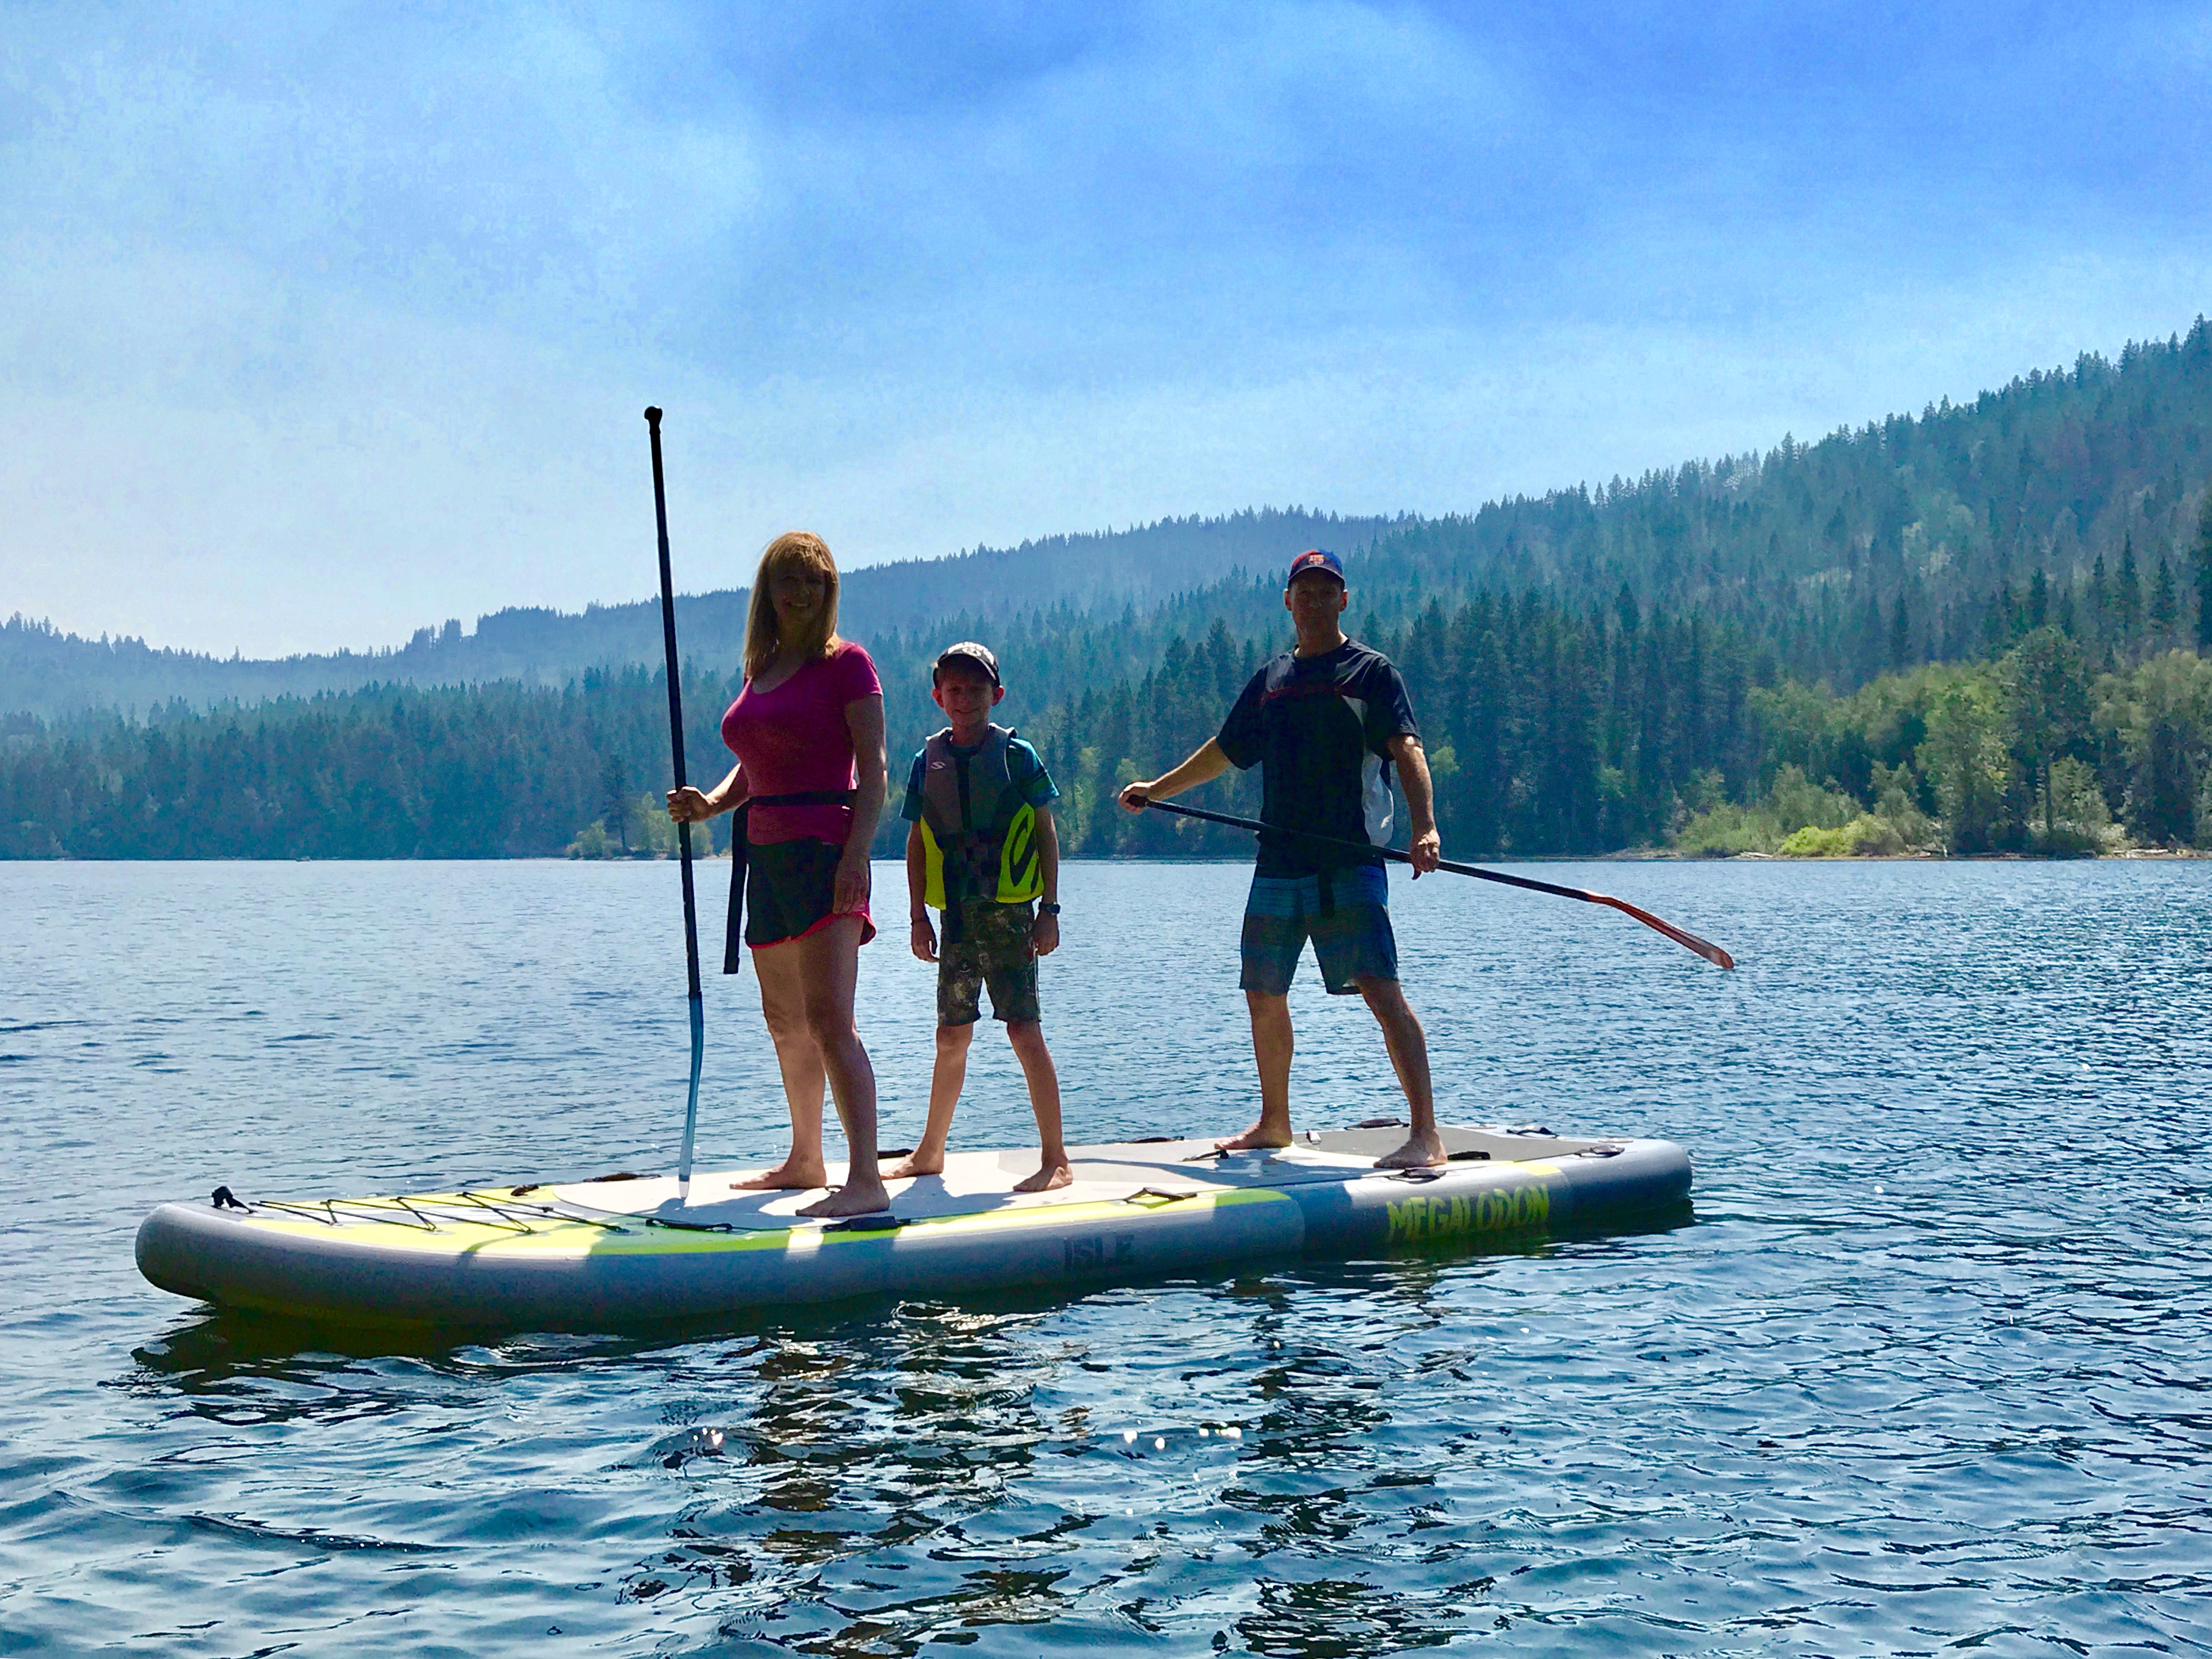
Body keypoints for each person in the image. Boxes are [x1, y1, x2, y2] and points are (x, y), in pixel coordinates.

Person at [1116, 548, 1445, 1170]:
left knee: (1381, 991)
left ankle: (1426, 1134)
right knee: (1263, 991)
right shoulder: (1271, 680)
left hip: (1348, 860)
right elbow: (1224, 750)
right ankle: (1275, 1123)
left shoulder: (1371, 673)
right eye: (1306, 591)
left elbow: (1408, 750)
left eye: (1328, 591)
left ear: (1344, 599)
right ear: (1288, 601)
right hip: (1279, 861)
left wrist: (1425, 827)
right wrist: (1156, 789)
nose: (1316, 600)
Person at [667, 530, 891, 1219]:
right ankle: (805, 1159)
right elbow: (756, 762)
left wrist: (856, 856)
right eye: (788, 580)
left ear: (829, 593)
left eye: (815, 581)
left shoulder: (848, 664)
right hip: (764, 857)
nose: (800, 593)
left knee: (831, 1020)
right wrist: (711, 802)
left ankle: (865, 1181)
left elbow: (875, 769)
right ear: (767, 590)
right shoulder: (759, 668)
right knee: (784, 1020)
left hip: (827, 851)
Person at [894, 642, 1071, 1191]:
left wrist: (1050, 911)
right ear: (938, 697)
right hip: (957, 921)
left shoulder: (1018, 756)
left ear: (997, 694)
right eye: (954, 689)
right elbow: (917, 844)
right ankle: (930, 1152)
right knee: (951, 1036)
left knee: (1024, 1031)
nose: (965, 698)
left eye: (976, 689)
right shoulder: (928, 762)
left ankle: (1056, 1158)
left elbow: (1046, 833)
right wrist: (917, 917)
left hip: (1012, 915)